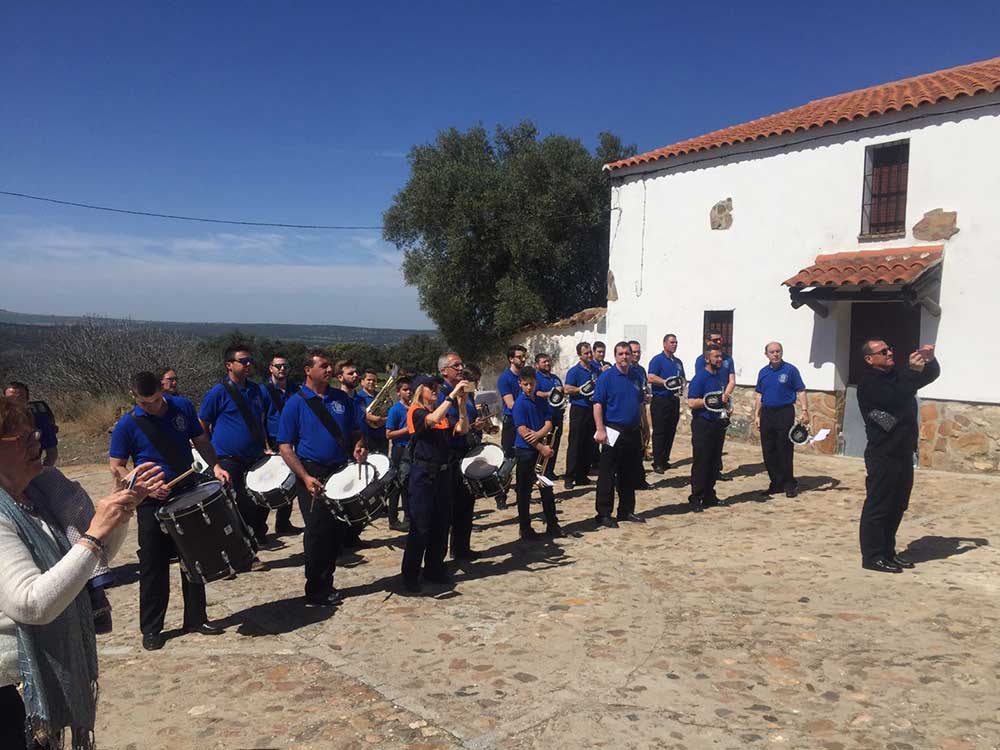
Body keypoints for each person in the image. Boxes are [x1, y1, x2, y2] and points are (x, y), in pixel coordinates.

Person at [1, 396, 163, 750]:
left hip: (36, 680)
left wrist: (118, 513)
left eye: (35, 435)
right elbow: (31, 604)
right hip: (9, 692)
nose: (37, 443)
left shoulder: (36, 496)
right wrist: (94, 535)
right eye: (23, 439)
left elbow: (84, 563)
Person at [109, 371, 230, 650]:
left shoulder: (183, 407)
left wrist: (216, 466)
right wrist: (144, 487)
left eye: (155, 400)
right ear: (134, 396)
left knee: (194, 557)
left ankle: (196, 618)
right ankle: (152, 628)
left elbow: (200, 441)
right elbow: (117, 466)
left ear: (162, 391)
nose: (151, 406)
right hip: (152, 500)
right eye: (145, 402)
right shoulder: (127, 424)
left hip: (187, 489)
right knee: (154, 564)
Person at [278, 350, 367, 605]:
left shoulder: (340, 398)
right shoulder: (295, 403)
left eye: (330, 366)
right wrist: (304, 477)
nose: (329, 370)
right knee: (317, 531)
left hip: (339, 470)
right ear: (308, 370)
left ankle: (327, 582)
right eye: (324, 366)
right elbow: (284, 445)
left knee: (336, 529)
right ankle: (315, 588)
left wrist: (359, 444)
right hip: (312, 472)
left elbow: (355, 431)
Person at [857, 340, 939, 573]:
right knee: (879, 506)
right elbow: (894, 399)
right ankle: (872, 556)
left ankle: (887, 551)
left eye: (890, 348)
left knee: (897, 505)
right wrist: (912, 372)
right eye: (883, 352)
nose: (890, 352)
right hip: (883, 454)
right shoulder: (869, 383)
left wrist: (929, 360)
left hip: (903, 451)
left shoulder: (898, 375)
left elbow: (929, 376)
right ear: (870, 359)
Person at [197, 345, 271, 566]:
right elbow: (202, 425)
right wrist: (212, 456)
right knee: (232, 509)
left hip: (255, 458)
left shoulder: (258, 391)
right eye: (243, 361)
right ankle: (241, 556)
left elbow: (262, 419)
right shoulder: (217, 393)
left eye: (250, 360)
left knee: (257, 506)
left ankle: (247, 550)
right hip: (228, 459)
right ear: (229, 365)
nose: (248, 364)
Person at [401, 374, 470, 593]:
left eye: (436, 387)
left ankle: (434, 569)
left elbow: (463, 429)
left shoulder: (440, 412)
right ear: (420, 390)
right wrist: (451, 396)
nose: (435, 390)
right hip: (423, 473)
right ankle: (410, 575)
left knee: (441, 523)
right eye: (430, 387)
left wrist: (461, 406)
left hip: (442, 473)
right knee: (420, 526)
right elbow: (429, 422)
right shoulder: (417, 412)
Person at [592, 342, 646, 528]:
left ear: (632, 356)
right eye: (621, 354)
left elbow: (640, 404)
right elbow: (597, 404)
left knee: (629, 473)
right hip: (613, 430)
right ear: (615, 356)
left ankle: (626, 510)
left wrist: (645, 427)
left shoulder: (636, 376)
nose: (624, 357)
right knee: (607, 473)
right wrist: (600, 429)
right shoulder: (606, 377)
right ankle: (604, 513)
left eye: (627, 353)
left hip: (632, 431)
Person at [438, 352, 482, 561]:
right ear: (444, 371)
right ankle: (441, 554)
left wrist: (476, 424)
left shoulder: (466, 391)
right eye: (456, 365)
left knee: (466, 501)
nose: (460, 368)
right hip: (450, 453)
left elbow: (467, 419)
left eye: (461, 364)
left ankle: (461, 547)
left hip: (466, 449)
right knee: (450, 505)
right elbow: (450, 424)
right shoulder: (441, 393)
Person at [753, 342, 808, 499]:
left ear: (782, 353)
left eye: (778, 351)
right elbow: (759, 394)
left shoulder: (790, 370)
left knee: (784, 449)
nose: (775, 354)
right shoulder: (763, 372)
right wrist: (757, 415)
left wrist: (805, 410)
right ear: (767, 355)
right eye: (772, 352)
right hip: (768, 414)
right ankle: (775, 483)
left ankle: (789, 484)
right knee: (768, 449)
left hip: (784, 412)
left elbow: (801, 390)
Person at [512, 367, 562, 539]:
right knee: (524, 491)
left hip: (541, 450)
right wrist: (541, 447)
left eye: (531, 384)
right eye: (525, 384)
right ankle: (525, 528)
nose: (528, 387)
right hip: (525, 451)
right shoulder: (519, 404)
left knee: (546, 487)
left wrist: (539, 436)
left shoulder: (541, 401)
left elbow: (549, 422)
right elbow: (523, 431)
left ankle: (552, 524)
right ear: (520, 384)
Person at [687, 344, 730, 512]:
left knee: (714, 461)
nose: (720, 360)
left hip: (717, 424)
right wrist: (708, 402)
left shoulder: (719, 377)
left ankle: (709, 495)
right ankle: (696, 497)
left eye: (720, 357)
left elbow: (721, 398)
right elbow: (692, 402)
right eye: (716, 357)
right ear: (707, 359)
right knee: (702, 461)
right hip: (702, 424)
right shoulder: (700, 378)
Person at [262, 354, 301, 535]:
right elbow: (259, 419)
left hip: (293, 439)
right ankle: (260, 527)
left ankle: (283, 523)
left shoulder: (295, 389)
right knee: (267, 484)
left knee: (289, 481)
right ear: (271, 368)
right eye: (278, 366)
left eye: (285, 366)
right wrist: (265, 445)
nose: (282, 369)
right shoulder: (263, 390)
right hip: (272, 439)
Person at [695, 333, 736, 480]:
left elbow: (732, 379)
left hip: (723, 400)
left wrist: (725, 395)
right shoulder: (701, 360)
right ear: (708, 342)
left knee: (719, 439)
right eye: (714, 340)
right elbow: (701, 381)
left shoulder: (728, 359)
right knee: (705, 446)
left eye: (720, 339)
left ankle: (716, 470)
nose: (718, 341)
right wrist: (713, 399)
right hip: (709, 405)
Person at [563, 341, 600, 489]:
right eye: (586, 353)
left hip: (592, 409)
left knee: (589, 444)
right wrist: (581, 389)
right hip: (579, 409)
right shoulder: (574, 371)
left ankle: (582, 475)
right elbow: (567, 389)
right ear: (579, 355)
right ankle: (569, 477)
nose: (590, 355)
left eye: (590, 352)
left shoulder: (596, 369)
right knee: (575, 443)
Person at [647, 334, 685, 472]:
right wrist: (665, 382)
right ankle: (657, 462)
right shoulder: (657, 360)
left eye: (676, 342)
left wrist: (681, 385)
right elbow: (650, 377)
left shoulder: (678, 362)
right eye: (672, 342)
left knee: (670, 430)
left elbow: (682, 379)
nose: (674, 344)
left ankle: (665, 459)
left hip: (674, 400)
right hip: (660, 400)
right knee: (660, 431)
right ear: (664, 344)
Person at [4, 383, 58, 467]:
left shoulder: (39, 419)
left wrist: (43, 472)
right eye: (11, 399)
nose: (14, 402)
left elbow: (52, 453)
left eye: (20, 399)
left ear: (27, 400)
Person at [385, 378, 413, 531]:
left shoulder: (414, 407)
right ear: (398, 392)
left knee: (408, 485)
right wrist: (406, 430)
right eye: (405, 389)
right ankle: (393, 519)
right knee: (397, 484)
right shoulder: (395, 409)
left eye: (410, 389)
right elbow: (388, 434)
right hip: (400, 449)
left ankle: (408, 517)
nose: (408, 392)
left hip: (412, 448)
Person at [532, 353, 564, 484]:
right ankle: (537, 472)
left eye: (548, 361)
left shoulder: (555, 378)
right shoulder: (535, 378)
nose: (547, 364)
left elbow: (561, 392)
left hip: (557, 415)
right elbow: (536, 393)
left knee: (554, 443)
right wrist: (550, 393)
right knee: (542, 443)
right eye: (544, 362)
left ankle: (549, 471)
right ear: (537, 364)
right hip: (543, 416)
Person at [628, 340, 652, 488]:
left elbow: (643, 392)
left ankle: (639, 479)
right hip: (625, 416)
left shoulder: (641, 371)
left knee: (640, 447)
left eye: (638, 352)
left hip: (640, 411)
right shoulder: (623, 370)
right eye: (633, 352)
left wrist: (646, 423)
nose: (636, 355)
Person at [357, 369, 390, 455]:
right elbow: (361, 413)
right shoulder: (358, 397)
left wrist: (384, 420)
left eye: (374, 380)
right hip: (366, 436)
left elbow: (389, 412)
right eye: (369, 380)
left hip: (382, 436)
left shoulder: (381, 396)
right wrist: (375, 418)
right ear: (362, 382)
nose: (371, 382)